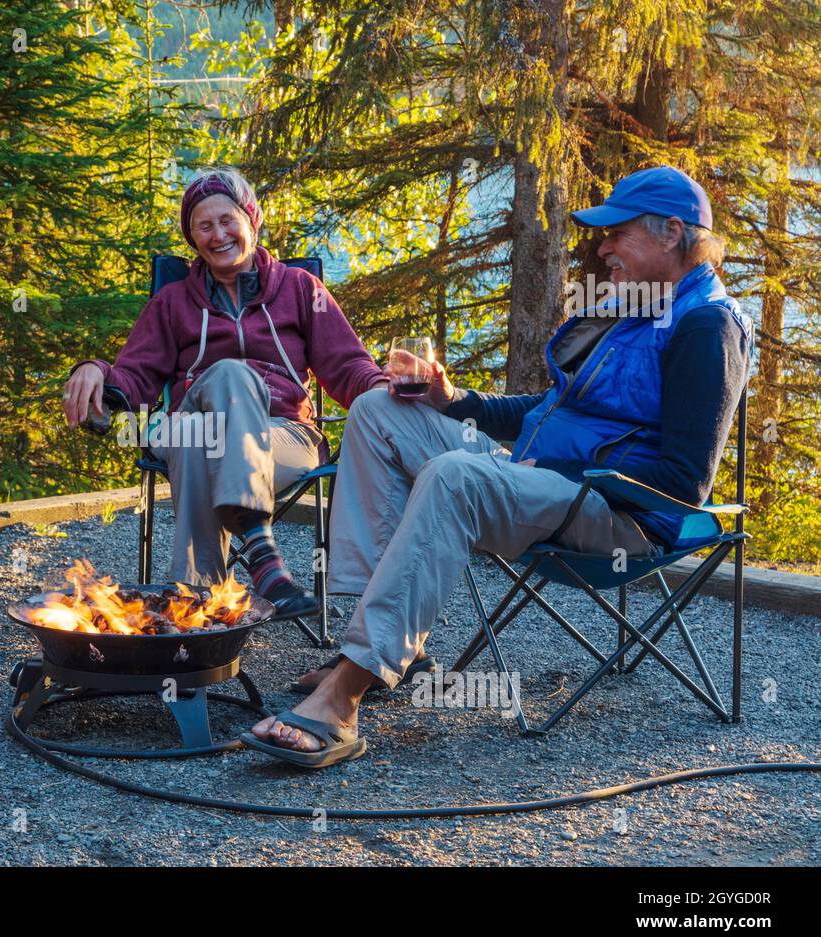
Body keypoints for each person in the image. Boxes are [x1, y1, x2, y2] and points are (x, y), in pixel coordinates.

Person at [244, 165, 751, 767]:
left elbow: (682, 485)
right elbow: (548, 409)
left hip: (618, 513)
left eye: (616, 234)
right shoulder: (631, 309)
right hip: (546, 479)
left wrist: (550, 468)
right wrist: (453, 402)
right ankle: (374, 642)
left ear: (671, 233)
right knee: (380, 409)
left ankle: (342, 700)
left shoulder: (705, 326)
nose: (603, 247)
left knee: (455, 478)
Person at [62, 167, 388, 618]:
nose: (218, 235)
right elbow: (134, 378)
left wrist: (381, 384)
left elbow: (347, 365)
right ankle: (262, 552)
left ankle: (196, 609)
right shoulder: (172, 302)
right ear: (192, 238)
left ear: (251, 220)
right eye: (204, 226)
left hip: (283, 435)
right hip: (191, 419)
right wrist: (95, 370)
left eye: (227, 220)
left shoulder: (300, 289)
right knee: (220, 390)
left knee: (197, 436)